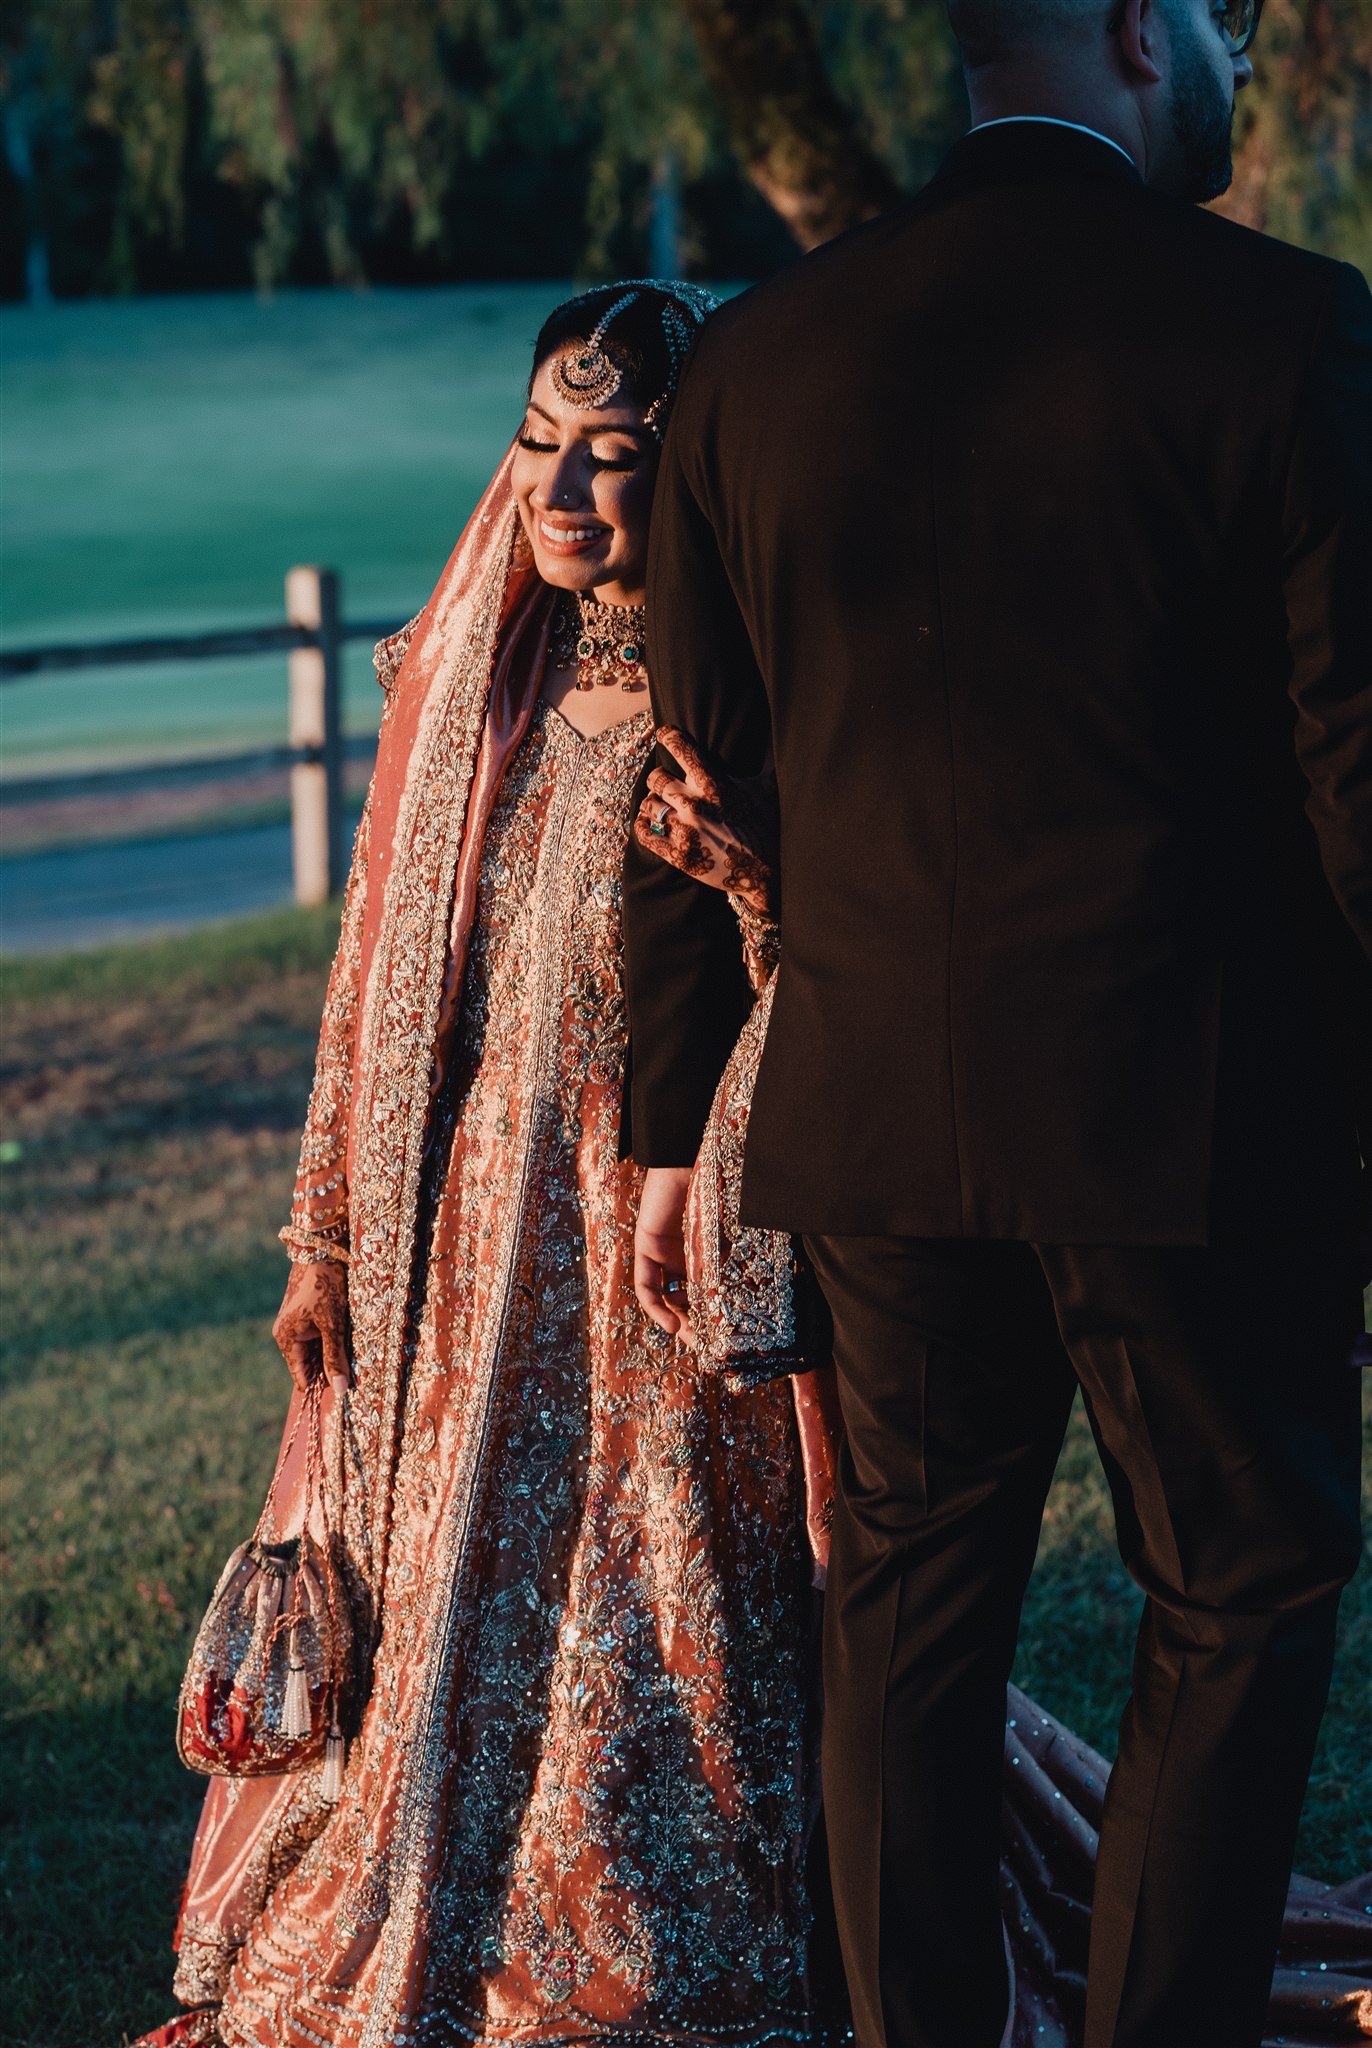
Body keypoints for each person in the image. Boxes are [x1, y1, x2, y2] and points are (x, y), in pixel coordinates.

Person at [622, 3, 1372, 2045]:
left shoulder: (756, 356)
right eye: (1215, 14)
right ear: (1135, 29)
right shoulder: (1284, 328)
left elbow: (689, 779)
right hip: (1191, 1119)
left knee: (901, 1622)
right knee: (1231, 1594)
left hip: (874, 1110)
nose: (1229, 49)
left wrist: (670, 1122)